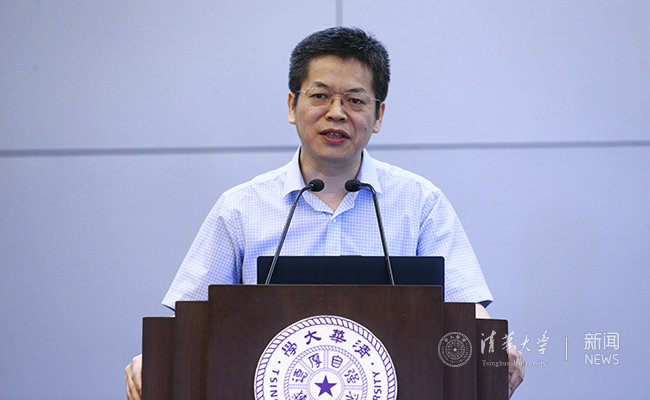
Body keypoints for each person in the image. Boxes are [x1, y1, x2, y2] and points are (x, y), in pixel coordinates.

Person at [125, 26, 525, 399]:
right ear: (292, 105)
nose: (336, 113)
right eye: (320, 96)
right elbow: (189, 317)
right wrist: (155, 358)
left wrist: (497, 346)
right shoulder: (241, 208)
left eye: (355, 100)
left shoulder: (420, 202)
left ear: (378, 116)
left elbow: (466, 308)